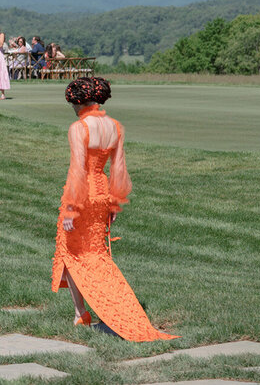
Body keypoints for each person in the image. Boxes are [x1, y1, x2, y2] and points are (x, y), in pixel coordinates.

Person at [52, 77, 175, 341]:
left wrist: (72, 208)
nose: (73, 108)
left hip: (81, 194)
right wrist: (115, 201)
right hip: (103, 192)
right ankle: (88, 311)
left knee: (73, 253)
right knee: (96, 253)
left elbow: (77, 170)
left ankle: (83, 312)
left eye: (73, 103)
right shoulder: (115, 127)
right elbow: (119, 168)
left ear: (80, 102)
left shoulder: (79, 128)